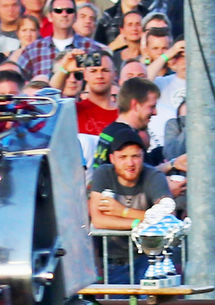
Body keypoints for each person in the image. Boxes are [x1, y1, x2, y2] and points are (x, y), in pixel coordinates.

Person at [88, 123, 175, 284]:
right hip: (113, 263)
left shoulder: (153, 176)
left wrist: (123, 211)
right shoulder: (103, 174)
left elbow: (168, 216)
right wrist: (139, 222)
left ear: (143, 156)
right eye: (123, 157)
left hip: (149, 260)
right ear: (112, 158)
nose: (130, 163)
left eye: (135, 156)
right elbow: (98, 221)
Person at [91, 77, 160, 167]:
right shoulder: (129, 137)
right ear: (134, 105)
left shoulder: (109, 131)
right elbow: (144, 178)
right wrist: (171, 165)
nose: (155, 112)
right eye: (151, 106)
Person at [75, 53, 118, 137]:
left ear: (115, 74)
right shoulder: (75, 110)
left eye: (105, 70)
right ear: (85, 75)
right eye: (93, 71)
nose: (99, 76)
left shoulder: (125, 114)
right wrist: (64, 70)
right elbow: (47, 102)